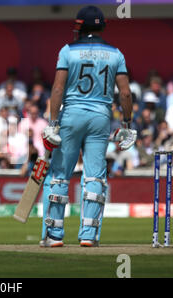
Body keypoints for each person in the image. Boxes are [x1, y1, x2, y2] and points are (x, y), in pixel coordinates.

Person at [41, 6, 136, 248]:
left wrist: (52, 123)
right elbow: (125, 93)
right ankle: (88, 236)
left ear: (80, 27)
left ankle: (54, 235)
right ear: (102, 26)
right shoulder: (116, 53)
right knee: (94, 175)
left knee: (60, 175)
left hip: (71, 115)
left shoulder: (67, 51)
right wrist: (127, 123)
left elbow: (58, 89)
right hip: (100, 118)